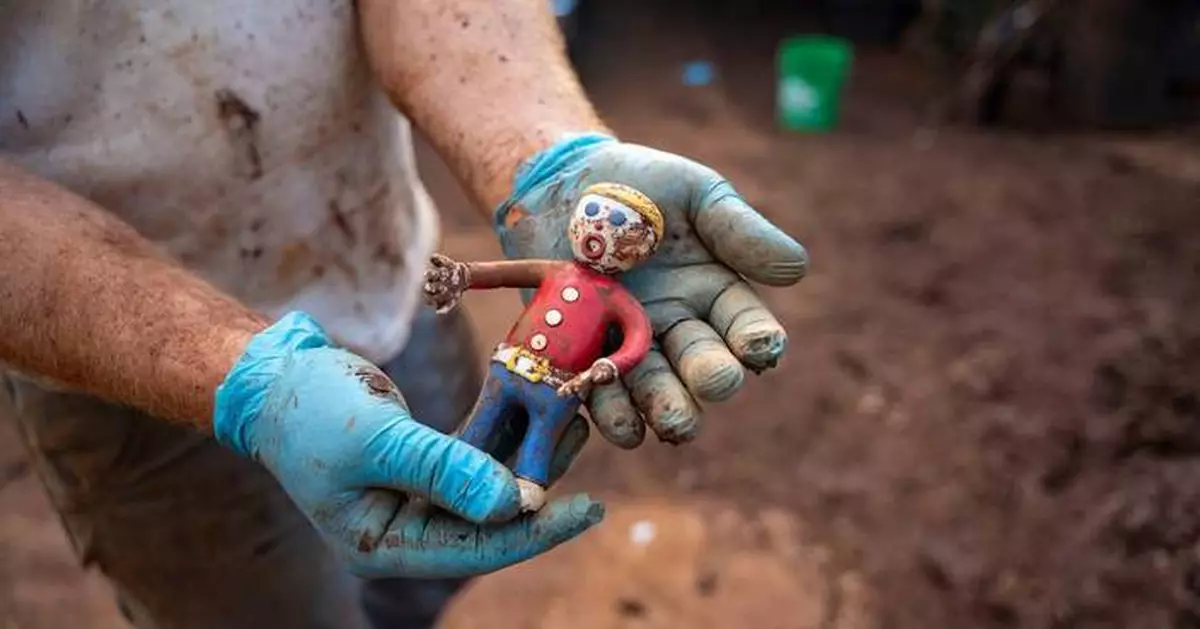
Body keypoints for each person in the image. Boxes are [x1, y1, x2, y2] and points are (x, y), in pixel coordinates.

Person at [0, 1, 809, 628]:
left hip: (389, 275)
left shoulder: (605, 288)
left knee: (441, 544)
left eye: (616, 228)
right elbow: (512, 274)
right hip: (113, 344)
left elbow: (631, 338)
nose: (598, 232)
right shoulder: (568, 272)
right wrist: (464, 278)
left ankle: (516, 480)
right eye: (596, 216)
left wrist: (545, 154)